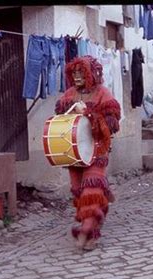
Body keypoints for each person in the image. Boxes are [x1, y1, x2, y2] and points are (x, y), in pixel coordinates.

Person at [54, 56, 121, 251]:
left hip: (96, 150)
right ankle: (100, 203)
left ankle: (87, 232)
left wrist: (90, 115)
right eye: (73, 73)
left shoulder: (103, 94)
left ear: (90, 73)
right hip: (74, 152)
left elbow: (113, 124)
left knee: (91, 191)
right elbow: (60, 121)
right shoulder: (68, 95)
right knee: (78, 191)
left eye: (80, 73)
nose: (76, 77)